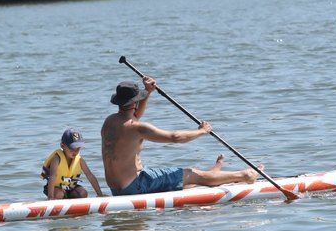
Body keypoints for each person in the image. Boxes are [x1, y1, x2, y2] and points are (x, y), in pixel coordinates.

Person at [100, 78, 259, 196]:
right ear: (135, 102)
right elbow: (175, 137)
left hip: (117, 190)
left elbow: (133, 117)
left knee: (183, 183)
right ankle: (246, 175)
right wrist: (201, 131)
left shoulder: (109, 122)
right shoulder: (138, 128)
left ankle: (215, 177)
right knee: (190, 173)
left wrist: (147, 92)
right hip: (137, 185)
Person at [41, 128, 104, 199]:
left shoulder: (79, 160)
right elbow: (52, 176)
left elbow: (90, 176)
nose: (75, 151)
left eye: (78, 148)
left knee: (83, 193)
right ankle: (55, 202)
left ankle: (75, 207)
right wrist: (50, 197)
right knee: (59, 194)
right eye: (72, 148)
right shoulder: (57, 158)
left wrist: (100, 194)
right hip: (54, 188)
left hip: (70, 188)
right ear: (62, 146)